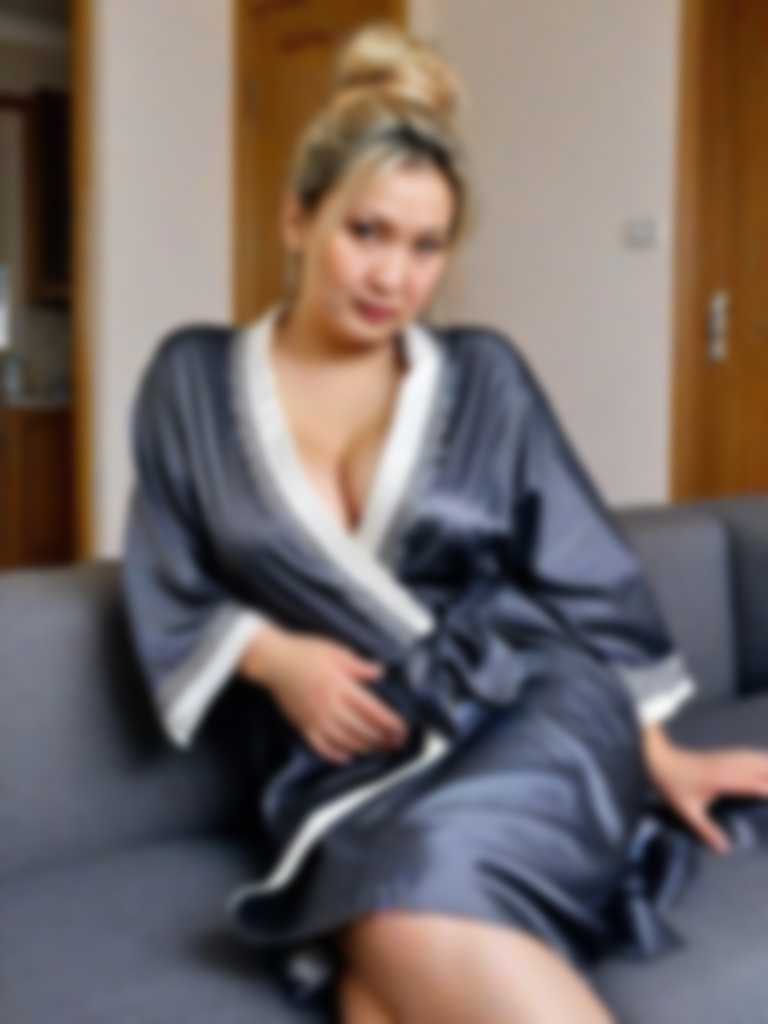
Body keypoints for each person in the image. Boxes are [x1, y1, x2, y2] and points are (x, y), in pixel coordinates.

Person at [121, 22, 768, 1024]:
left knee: (399, 920)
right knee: (378, 966)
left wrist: (661, 757)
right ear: (296, 219)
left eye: (427, 247)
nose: (394, 278)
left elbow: (586, 574)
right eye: (366, 232)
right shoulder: (192, 383)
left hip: (533, 708)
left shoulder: (485, 378)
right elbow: (169, 571)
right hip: (341, 763)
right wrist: (274, 659)